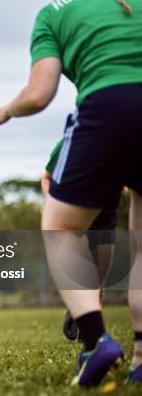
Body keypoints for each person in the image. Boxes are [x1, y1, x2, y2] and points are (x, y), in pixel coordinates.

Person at [0, 0, 142, 386]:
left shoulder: (54, 13)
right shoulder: (135, 3)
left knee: (61, 227)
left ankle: (96, 341)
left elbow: (40, 95)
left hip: (111, 106)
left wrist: (6, 110)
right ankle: (141, 359)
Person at [42, 140, 116, 341]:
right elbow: (46, 178)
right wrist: (53, 204)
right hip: (73, 211)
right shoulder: (70, 141)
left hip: (105, 213)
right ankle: (93, 336)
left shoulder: (121, 137)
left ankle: (81, 316)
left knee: (98, 281)